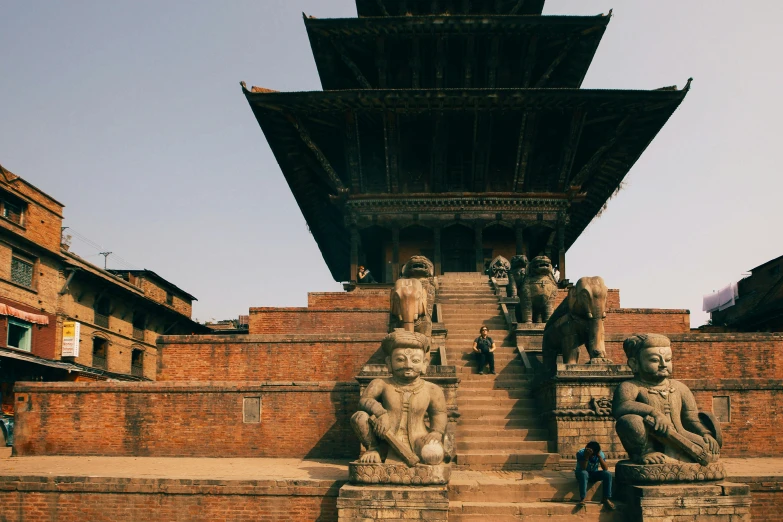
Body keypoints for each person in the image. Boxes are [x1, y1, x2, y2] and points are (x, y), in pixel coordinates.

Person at [613, 333, 721, 465]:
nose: (663, 364)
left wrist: (705, 434)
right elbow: (622, 406)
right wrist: (654, 412)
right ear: (634, 363)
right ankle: (645, 453)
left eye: (668, 359)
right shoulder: (630, 386)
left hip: (680, 436)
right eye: (654, 360)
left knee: (707, 448)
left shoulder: (680, 388)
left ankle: (675, 459)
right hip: (652, 438)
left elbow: (691, 418)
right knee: (629, 421)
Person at [351, 329, 447, 466]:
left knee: (434, 455)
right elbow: (364, 400)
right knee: (359, 417)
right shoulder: (381, 383)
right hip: (385, 437)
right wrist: (381, 413)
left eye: (415, 360)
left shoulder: (432, 389)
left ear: (424, 364)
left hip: (419, 440)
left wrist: (437, 432)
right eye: (400, 359)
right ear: (389, 362)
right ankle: (374, 449)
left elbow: (439, 413)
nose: (408, 365)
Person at [575, 441, 615, 510]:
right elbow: (583, 468)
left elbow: (605, 468)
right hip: (581, 474)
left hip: (593, 473)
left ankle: (606, 498)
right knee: (584, 473)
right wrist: (586, 457)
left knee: (607, 474)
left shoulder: (600, 454)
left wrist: (599, 457)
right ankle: (582, 498)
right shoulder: (581, 453)